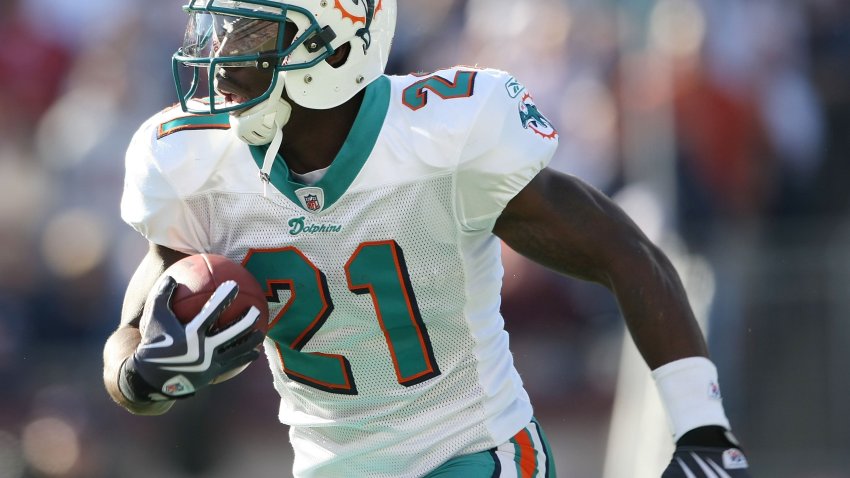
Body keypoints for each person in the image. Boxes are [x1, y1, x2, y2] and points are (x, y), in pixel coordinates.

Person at [102, 1, 751, 476]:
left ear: (333, 47)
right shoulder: (192, 160)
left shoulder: (438, 139)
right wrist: (140, 374)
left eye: (248, 30)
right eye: (215, 26)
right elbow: (136, 325)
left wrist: (702, 430)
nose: (219, 54)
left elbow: (624, 250)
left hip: (474, 452)